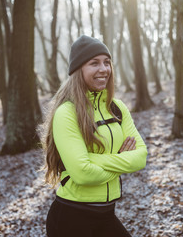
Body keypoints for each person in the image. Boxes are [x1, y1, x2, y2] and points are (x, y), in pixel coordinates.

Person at [41, 35, 148, 237]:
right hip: (70, 219)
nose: (104, 69)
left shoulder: (117, 108)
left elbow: (141, 156)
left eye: (107, 62)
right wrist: (122, 162)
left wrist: (93, 160)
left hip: (106, 216)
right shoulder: (67, 113)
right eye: (94, 63)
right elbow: (82, 173)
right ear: (78, 70)